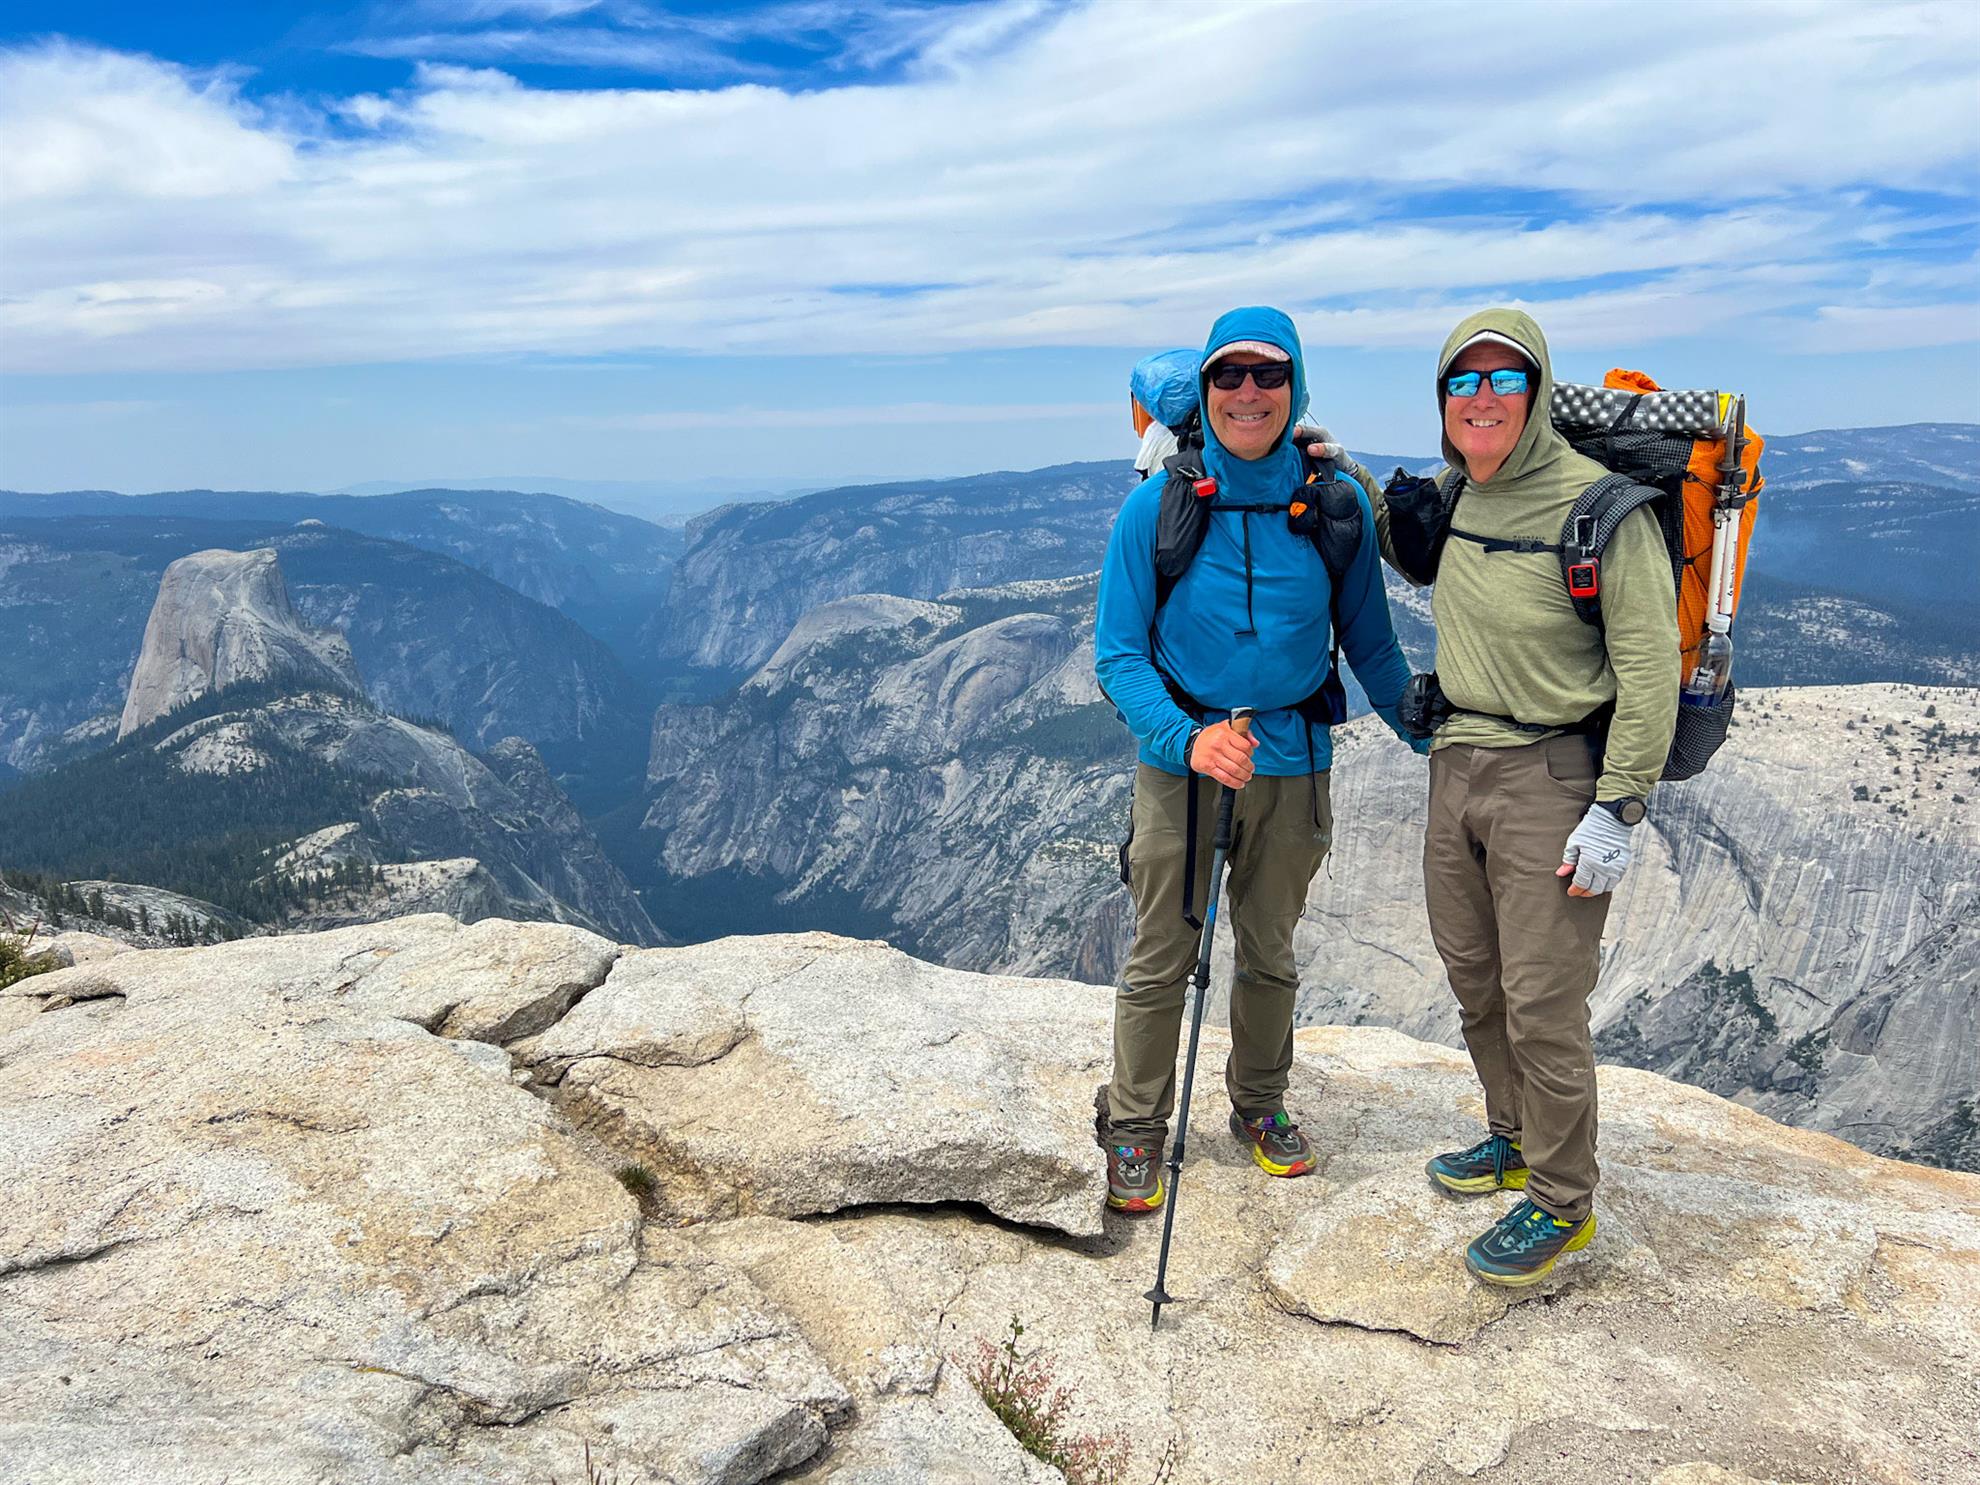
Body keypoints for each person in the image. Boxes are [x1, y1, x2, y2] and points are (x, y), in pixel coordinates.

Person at [1094, 305, 1423, 1214]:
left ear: (1296, 386)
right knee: (1165, 949)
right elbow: (1118, 653)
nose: (1248, 392)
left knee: (1271, 950)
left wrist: (1435, 736)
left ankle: (1260, 1106)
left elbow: (1371, 646)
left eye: (1268, 374)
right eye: (1229, 375)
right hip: (1187, 763)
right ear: (1205, 389)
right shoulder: (1155, 506)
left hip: (1295, 758)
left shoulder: (1334, 506)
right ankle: (1135, 1128)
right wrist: (1188, 738)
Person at [1412, 308, 1678, 1285]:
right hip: (1457, 770)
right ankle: (1511, 1136)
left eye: (1502, 379)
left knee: (1543, 1001)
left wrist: (1619, 808)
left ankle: (1563, 1203)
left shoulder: (1603, 510)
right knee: (1476, 979)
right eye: (1463, 382)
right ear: (1444, 401)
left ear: (1536, 393)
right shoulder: (1456, 495)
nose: (1482, 399)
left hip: (1553, 781)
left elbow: (1649, 670)